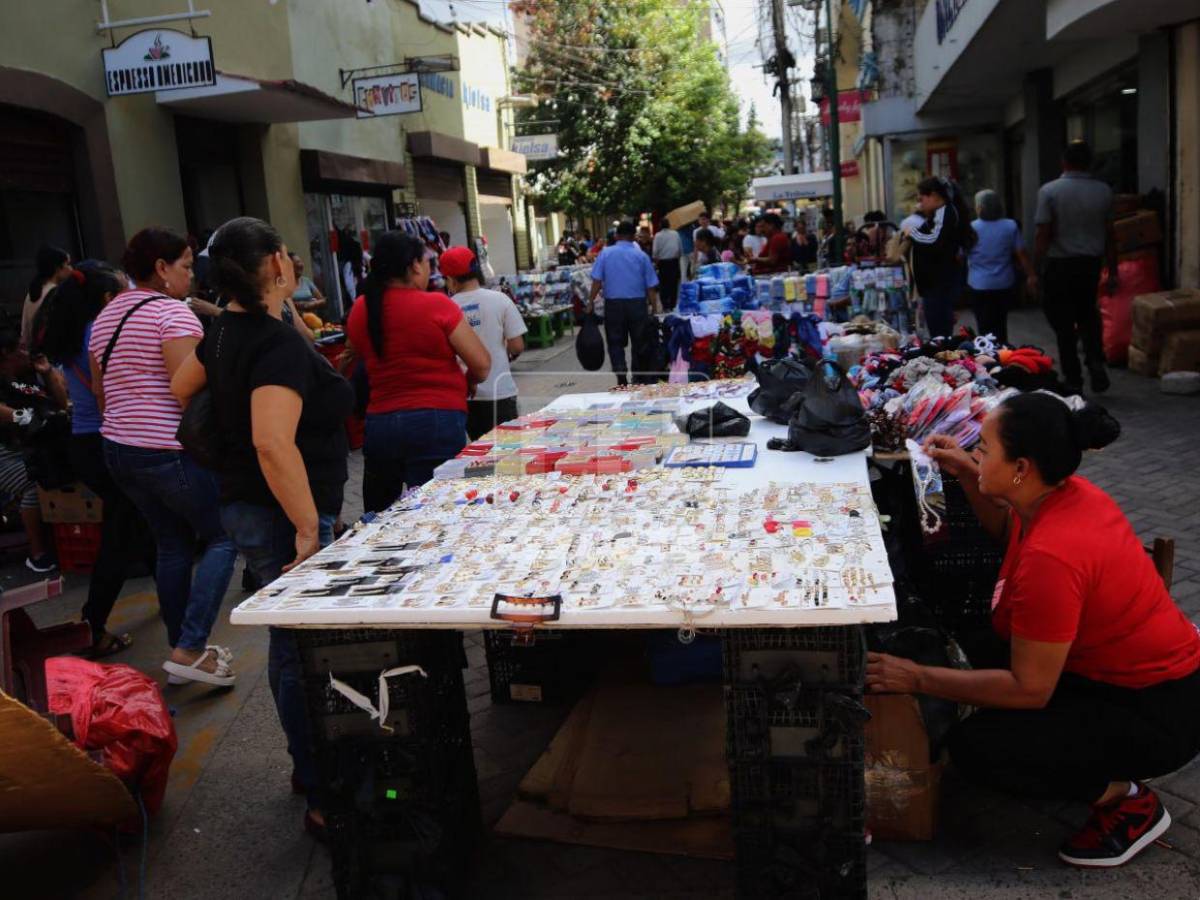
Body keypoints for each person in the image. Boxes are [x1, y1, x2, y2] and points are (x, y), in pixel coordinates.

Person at [869, 392, 1200, 868]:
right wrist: (967, 473)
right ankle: (1076, 762)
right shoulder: (1062, 495)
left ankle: (1126, 801)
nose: (975, 452)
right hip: (1124, 677)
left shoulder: (1055, 556)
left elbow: (1030, 689)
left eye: (983, 447)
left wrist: (914, 677)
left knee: (979, 749)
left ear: (1021, 467)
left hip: (1156, 710)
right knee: (980, 644)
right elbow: (1008, 533)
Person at [171, 216, 354, 840]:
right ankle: (322, 786)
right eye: (288, 255)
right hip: (282, 510)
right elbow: (272, 442)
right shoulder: (264, 343)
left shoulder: (231, 332)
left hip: (247, 503)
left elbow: (181, 386)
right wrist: (308, 529)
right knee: (299, 650)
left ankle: (313, 771)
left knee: (289, 642)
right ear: (277, 262)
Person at [92, 226, 237, 687]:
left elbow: (100, 394)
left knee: (171, 544)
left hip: (119, 450)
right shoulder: (171, 316)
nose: (192, 276)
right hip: (166, 451)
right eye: (187, 266)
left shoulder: (105, 317)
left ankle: (182, 649)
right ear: (160, 268)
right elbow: (185, 392)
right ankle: (191, 645)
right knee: (223, 535)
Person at [38, 263, 157, 655]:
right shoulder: (97, 333)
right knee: (120, 535)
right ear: (107, 299)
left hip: (85, 442)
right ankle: (93, 623)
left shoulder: (76, 330)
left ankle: (175, 599)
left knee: (141, 519)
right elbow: (109, 393)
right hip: (103, 441)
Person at [345, 231, 491, 511]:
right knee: (439, 511)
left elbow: (355, 352)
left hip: (381, 424)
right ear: (414, 266)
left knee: (381, 516)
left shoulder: (362, 307)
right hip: (436, 420)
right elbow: (482, 365)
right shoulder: (436, 304)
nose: (428, 270)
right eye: (427, 263)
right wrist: (467, 380)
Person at [1035, 141, 1117, 394]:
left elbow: (1043, 232)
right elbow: (1110, 234)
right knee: (1088, 315)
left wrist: (1038, 267)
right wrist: (1112, 270)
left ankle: (1073, 379)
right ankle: (1094, 360)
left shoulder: (1050, 191)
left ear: (1064, 162)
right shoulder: (1103, 191)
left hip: (1060, 265)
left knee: (1063, 324)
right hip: (1090, 265)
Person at [442, 247, 526, 439]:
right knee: (507, 451)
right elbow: (517, 345)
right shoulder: (500, 300)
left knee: (479, 455)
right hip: (501, 391)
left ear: (451, 279)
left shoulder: (448, 307)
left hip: (466, 396)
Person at [0, 332, 63, 573]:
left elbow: (60, 401)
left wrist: (47, 373)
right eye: (22, 349)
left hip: (33, 448)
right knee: (37, 482)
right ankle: (37, 554)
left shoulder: (28, 377)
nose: (28, 353)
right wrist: (24, 417)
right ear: (7, 354)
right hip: (7, 454)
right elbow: (9, 414)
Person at [588, 220, 659, 388]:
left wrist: (590, 302)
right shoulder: (641, 256)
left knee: (615, 341)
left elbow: (597, 281)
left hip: (613, 305)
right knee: (639, 341)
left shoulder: (605, 253)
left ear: (617, 235)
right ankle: (638, 377)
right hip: (637, 304)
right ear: (633, 236)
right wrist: (654, 308)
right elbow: (651, 286)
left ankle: (621, 376)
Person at [905, 177, 977, 338]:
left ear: (934, 196)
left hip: (939, 285)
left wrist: (913, 233)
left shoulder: (946, 212)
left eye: (921, 198)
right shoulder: (940, 213)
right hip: (935, 286)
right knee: (938, 330)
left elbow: (935, 240)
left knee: (940, 333)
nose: (920, 204)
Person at [967, 190, 1038, 345]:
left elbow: (959, 255)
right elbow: (1021, 254)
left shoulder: (971, 228)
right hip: (1003, 283)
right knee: (1000, 322)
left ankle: (988, 355)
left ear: (979, 207)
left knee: (984, 325)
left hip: (979, 284)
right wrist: (1031, 275)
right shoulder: (1010, 225)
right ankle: (1003, 351)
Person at [21, 245, 72, 351]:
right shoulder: (57, 294)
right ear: (58, 269)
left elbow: (25, 333)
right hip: (53, 354)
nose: (71, 269)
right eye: (68, 264)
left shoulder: (32, 293)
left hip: (37, 354)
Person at [651, 220, 682, 312]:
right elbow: (680, 249)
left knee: (664, 285)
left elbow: (655, 252)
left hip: (663, 262)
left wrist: (655, 262)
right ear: (669, 225)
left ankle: (665, 305)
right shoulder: (675, 234)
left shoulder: (658, 236)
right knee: (674, 284)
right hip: (674, 261)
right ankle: (673, 304)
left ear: (660, 226)